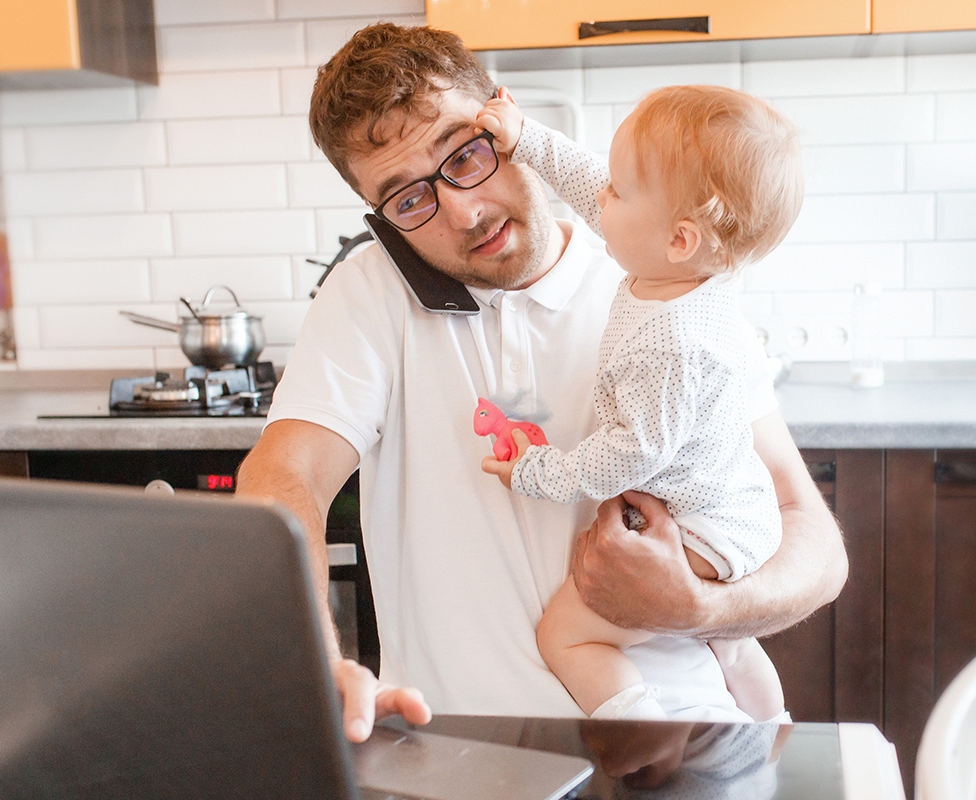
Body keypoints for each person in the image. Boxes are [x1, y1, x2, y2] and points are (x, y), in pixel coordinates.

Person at [234, 22, 847, 742]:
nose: (464, 211)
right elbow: (285, 475)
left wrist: (696, 609)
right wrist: (311, 659)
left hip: (682, 738)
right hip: (460, 757)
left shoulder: (665, 282)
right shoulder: (369, 293)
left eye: (466, 154)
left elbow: (812, 541)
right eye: (407, 199)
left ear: (505, 120)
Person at [475, 86, 802, 723]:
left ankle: (644, 736)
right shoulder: (680, 271)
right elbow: (589, 180)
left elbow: (631, 453)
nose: (601, 197)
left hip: (704, 529)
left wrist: (539, 473)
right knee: (729, 646)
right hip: (737, 511)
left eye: (619, 191)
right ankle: (774, 732)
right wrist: (526, 140)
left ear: (679, 237)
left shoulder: (669, 341)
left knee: (567, 636)